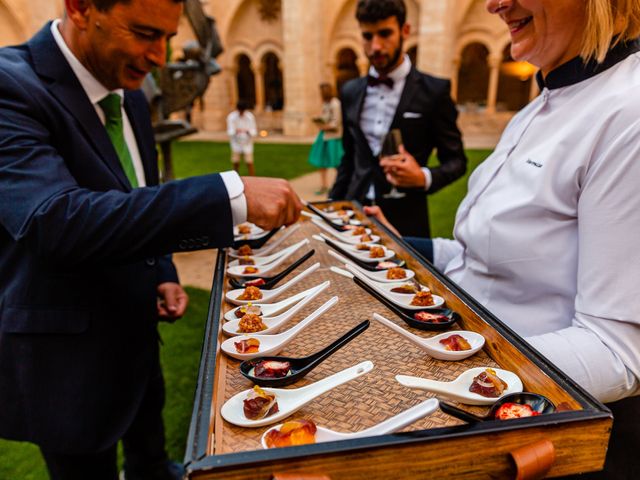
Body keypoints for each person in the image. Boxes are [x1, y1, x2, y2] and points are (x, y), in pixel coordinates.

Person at [0, 1, 302, 479]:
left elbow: (138, 190)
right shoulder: (11, 86)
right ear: (80, 8)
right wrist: (229, 193)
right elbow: (54, 220)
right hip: (66, 360)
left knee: (153, 465)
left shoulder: (131, 94)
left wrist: (161, 270)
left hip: (137, 336)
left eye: (167, 37)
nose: (160, 56)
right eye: (144, 33)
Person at [369, 0, 640, 477]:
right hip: (469, 395)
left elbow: (619, 351)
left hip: (529, 435)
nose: (494, 4)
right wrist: (391, 245)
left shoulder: (629, 113)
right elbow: (479, 259)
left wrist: (449, 366)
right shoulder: (539, 105)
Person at [329, 0, 467, 238]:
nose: (376, 46)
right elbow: (350, 157)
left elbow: (456, 161)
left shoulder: (434, 91)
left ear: (405, 31)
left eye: (385, 34)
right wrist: (332, 204)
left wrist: (422, 177)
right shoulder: (350, 91)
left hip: (406, 221)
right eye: (367, 36)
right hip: (354, 214)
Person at [308, 83, 344, 195]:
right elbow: (325, 117)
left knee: (336, 162)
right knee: (322, 162)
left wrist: (326, 126)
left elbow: (337, 121)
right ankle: (324, 185)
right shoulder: (326, 103)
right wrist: (319, 120)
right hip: (324, 135)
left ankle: (340, 184)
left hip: (333, 136)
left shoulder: (335, 104)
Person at [226, 99, 258, 176]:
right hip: (236, 143)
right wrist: (236, 131)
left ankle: (252, 177)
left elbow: (254, 130)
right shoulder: (231, 117)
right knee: (235, 161)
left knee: (249, 161)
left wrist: (247, 131)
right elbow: (230, 131)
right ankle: (235, 178)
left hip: (247, 143)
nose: (241, 112)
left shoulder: (250, 117)